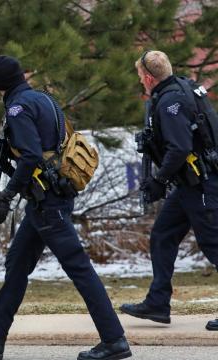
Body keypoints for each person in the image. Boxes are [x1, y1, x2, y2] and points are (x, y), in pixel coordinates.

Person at [0, 56, 131, 360]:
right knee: (17, 263)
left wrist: (7, 195)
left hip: (48, 204)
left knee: (79, 269)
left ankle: (114, 340)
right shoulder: (42, 98)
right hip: (49, 200)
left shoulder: (18, 107)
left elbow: (32, 156)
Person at [120, 50, 218, 331]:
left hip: (202, 184)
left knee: (213, 244)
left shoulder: (170, 101)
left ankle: (158, 302)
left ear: (149, 77)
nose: (140, 81)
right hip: (190, 185)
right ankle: (158, 303)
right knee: (163, 235)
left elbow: (180, 147)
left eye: (140, 76)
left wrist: (158, 180)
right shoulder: (180, 88)